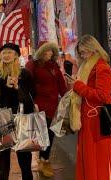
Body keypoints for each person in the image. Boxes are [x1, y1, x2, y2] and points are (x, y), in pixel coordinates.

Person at [67, 35, 111, 180]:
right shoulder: (87, 67)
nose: (82, 55)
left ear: (93, 49)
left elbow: (103, 96)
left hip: (98, 121)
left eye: (84, 52)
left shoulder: (101, 67)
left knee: (99, 159)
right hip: (88, 120)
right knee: (89, 159)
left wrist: (78, 86)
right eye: (80, 53)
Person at [0, 43, 34, 180]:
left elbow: (31, 96)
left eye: (10, 52)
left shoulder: (25, 74)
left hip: (21, 116)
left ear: (16, 55)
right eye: (4, 52)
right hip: (3, 117)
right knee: (3, 154)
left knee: (24, 154)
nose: (6, 55)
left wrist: (17, 87)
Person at [26, 42, 67, 177]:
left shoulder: (54, 65)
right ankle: (43, 161)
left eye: (51, 51)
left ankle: (44, 160)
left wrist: (67, 98)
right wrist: (32, 102)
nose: (48, 53)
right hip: (39, 105)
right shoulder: (33, 65)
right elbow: (27, 84)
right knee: (44, 134)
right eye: (46, 51)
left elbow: (61, 83)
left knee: (51, 133)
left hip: (53, 105)